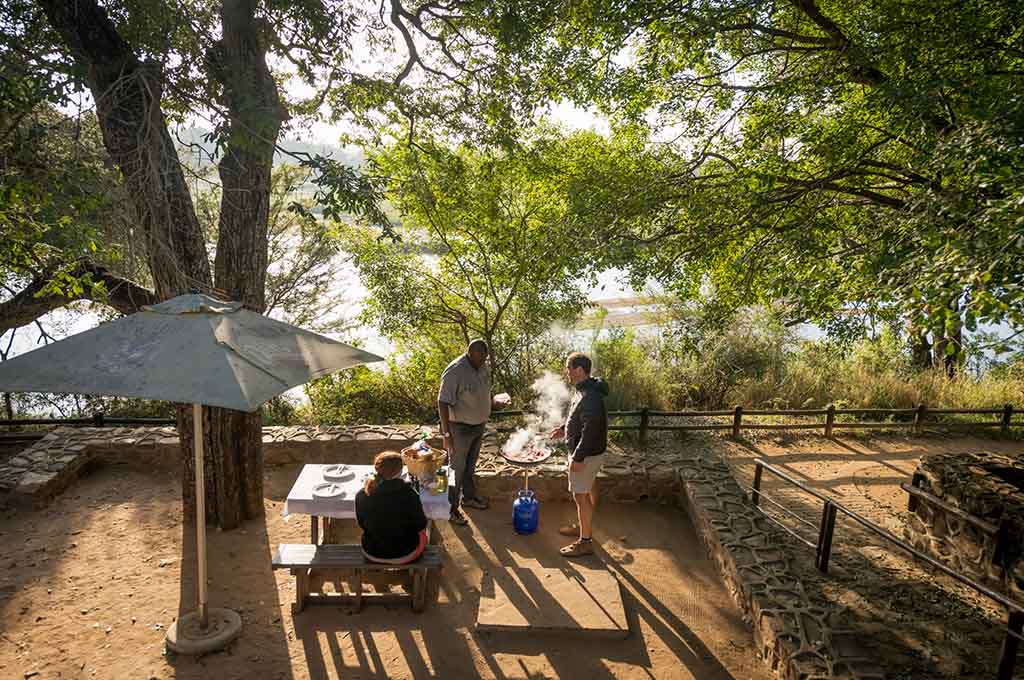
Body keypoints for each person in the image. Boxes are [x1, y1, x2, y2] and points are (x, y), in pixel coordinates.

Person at [437, 339, 511, 526]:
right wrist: (446, 435)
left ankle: (468, 498)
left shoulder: (483, 366)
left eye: (485, 358)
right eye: (479, 358)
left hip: (478, 425)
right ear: (470, 353)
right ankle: (450, 509)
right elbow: (442, 402)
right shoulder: (455, 371)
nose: (482, 362)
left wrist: (495, 402)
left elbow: (483, 392)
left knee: (470, 467)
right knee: (456, 470)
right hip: (459, 428)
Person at [549, 351, 608, 557]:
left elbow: (590, 430)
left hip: (586, 454)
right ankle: (583, 526)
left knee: (580, 496)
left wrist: (578, 457)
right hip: (589, 452)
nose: (567, 372)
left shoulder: (590, 395)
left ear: (580, 370)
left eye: (569, 368)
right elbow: (578, 418)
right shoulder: (584, 389)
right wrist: (563, 429)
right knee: (588, 488)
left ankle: (585, 542)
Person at [355, 451, 429, 564]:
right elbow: (421, 525)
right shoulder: (409, 493)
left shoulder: (363, 493)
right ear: (400, 471)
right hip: (405, 553)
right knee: (423, 534)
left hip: (371, 552)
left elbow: (362, 524)